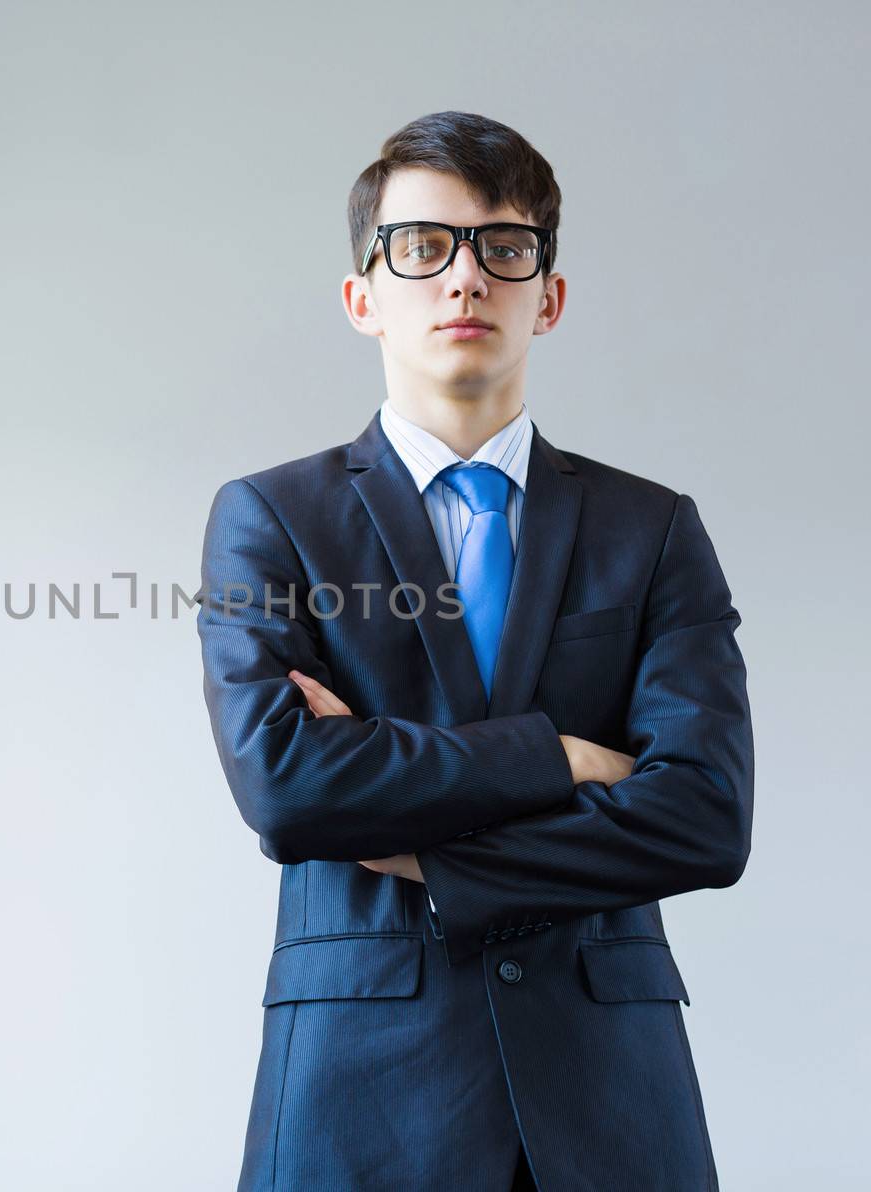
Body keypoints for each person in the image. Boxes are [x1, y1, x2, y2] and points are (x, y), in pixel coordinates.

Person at [195, 111, 754, 1191]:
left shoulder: (653, 530)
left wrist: (426, 855)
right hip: (359, 1084)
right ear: (363, 297)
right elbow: (292, 791)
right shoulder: (270, 518)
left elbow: (705, 816)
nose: (464, 281)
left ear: (546, 296)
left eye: (503, 248)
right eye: (421, 247)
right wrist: (562, 757)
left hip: (608, 1091)